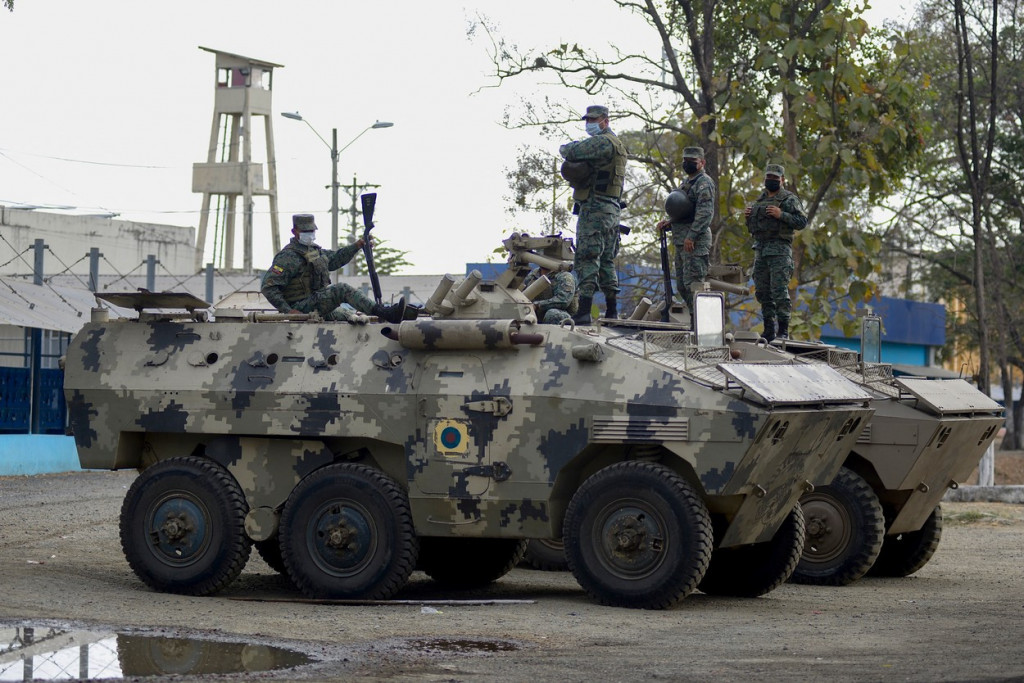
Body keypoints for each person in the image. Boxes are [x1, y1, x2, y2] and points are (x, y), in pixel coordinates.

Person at [261, 214, 406, 323]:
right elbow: (269, 287)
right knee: (341, 289)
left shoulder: (314, 251)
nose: (310, 234)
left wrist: (358, 245)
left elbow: (336, 258)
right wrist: (289, 311)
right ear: (294, 231)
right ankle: (385, 312)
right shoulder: (287, 257)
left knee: (351, 316)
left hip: (316, 304)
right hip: (301, 307)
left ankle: (397, 316)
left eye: (312, 230)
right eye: (305, 231)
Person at [559, 104, 628, 324]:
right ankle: (612, 311)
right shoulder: (618, 145)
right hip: (612, 210)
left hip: (595, 209)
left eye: (593, 120)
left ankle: (584, 311)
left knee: (587, 257)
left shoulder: (603, 142)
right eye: (587, 120)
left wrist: (566, 147)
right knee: (607, 260)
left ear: (605, 121)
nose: (589, 124)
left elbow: (570, 151)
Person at [744, 164, 808, 341]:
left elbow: (802, 221)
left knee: (779, 291)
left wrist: (781, 215)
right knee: (762, 292)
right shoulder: (760, 200)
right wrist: (748, 217)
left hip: (779, 251)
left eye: (775, 178)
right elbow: (754, 228)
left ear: (782, 180)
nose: (771, 180)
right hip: (760, 250)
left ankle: (783, 331)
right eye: (768, 177)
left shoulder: (788, 199)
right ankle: (769, 329)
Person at [656, 146, 717, 326]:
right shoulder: (686, 183)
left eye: (692, 161)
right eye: (685, 160)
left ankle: (702, 325)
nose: (687, 163)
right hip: (682, 240)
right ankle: (694, 320)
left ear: (702, 162)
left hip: (695, 241)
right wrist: (669, 222)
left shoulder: (704, 183)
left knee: (695, 285)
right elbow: (684, 211)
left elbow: (705, 213)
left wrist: (692, 236)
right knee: (682, 285)